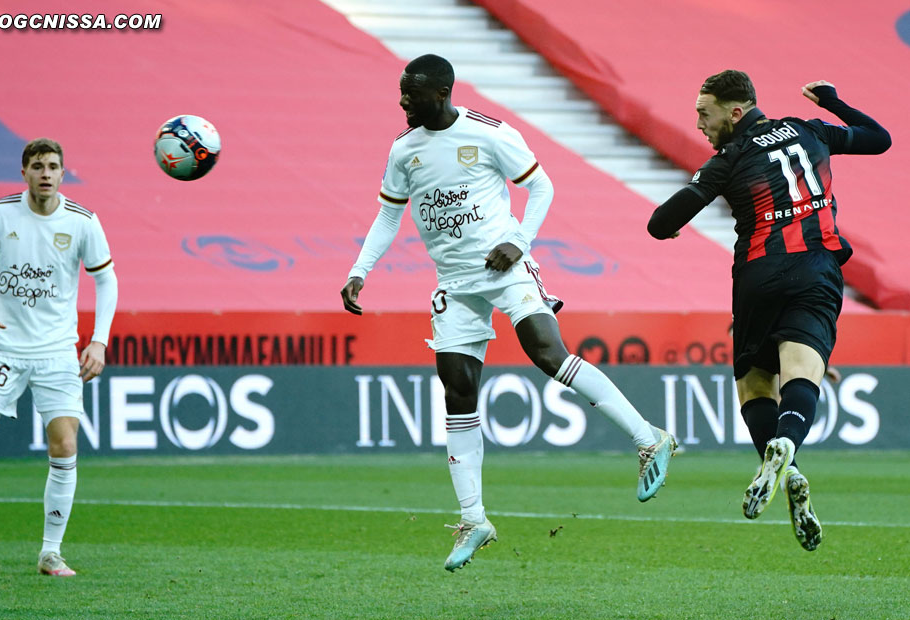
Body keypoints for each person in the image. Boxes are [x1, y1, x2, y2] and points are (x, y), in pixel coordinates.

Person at [342, 54, 677, 572]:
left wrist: (517, 241)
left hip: (504, 269)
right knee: (457, 389)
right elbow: (389, 213)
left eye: (412, 92)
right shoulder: (403, 150)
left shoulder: (489, 133)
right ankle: (474, 519)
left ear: (443, 92)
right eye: (402, 91)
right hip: (453, 284)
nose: (403, 100)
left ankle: (647, 438)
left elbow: (541, 186)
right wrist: (360, 270)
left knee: (547, 353)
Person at [648, 71, 890, 551]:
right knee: (802, 370)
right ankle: (789, 446)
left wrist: (672, 226)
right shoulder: (810, 129)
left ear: (735, 112)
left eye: (705, 112)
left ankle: (787, 466)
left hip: (760, 272)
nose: (698, 122)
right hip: (820, 267)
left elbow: (659, 224)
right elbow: (880, 140)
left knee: (756, 384)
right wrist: (833, 102)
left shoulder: (730, 158)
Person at [0, 138, 118, 576]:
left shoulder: (82, 221)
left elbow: (106, 281)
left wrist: (98, 340)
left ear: (62, 173)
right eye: (37, 165)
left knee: (65, 445)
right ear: (24, 172)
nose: (45, 172)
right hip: (0, 346)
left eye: (53, 166)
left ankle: (50, 552)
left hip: (57, 350)